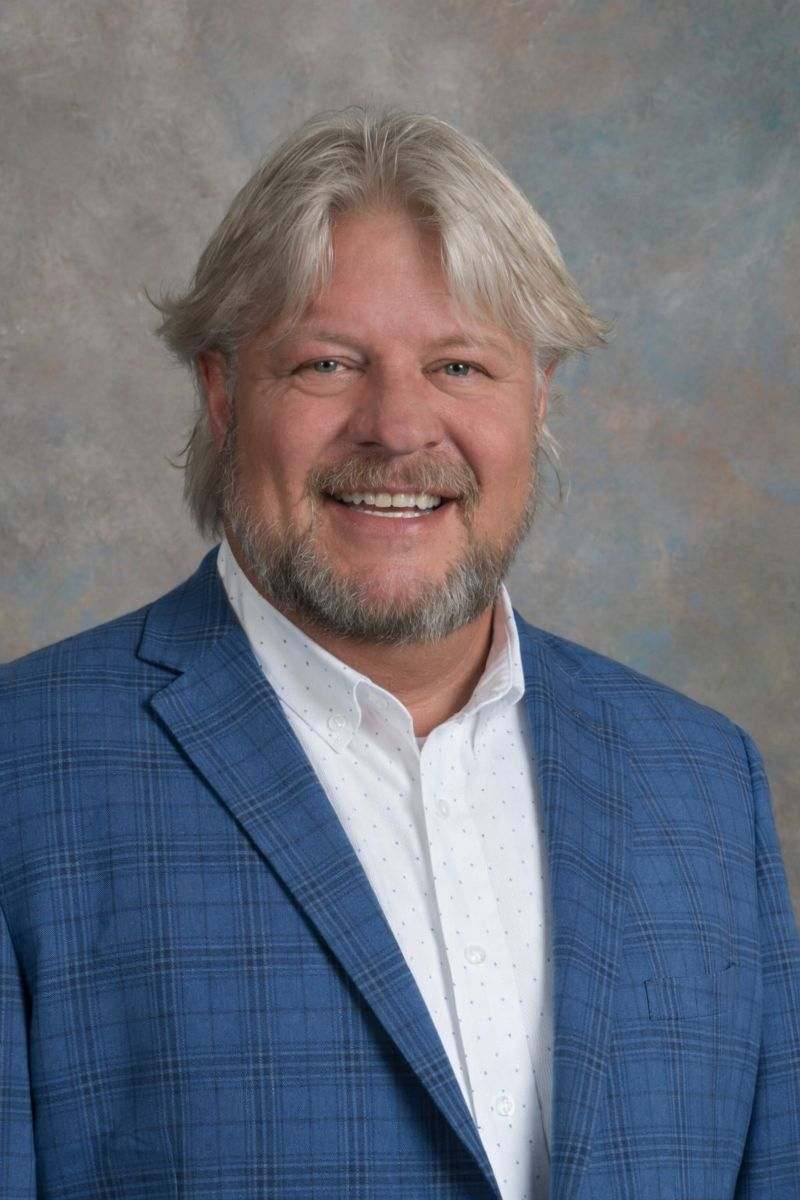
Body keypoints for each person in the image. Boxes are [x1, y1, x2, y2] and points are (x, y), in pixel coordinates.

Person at [1, 107, 798, 1200]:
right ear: (223, 393)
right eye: (328, 363)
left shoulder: (702, 785)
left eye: (460, 366)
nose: (398, 426)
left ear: (539, 395)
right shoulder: (22, 777)